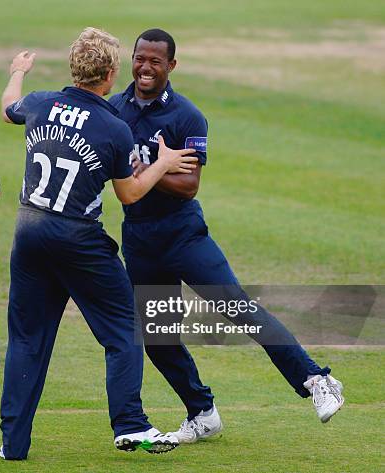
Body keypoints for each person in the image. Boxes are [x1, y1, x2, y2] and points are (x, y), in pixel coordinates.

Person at [109, 28, 344, 443]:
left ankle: (316, 380)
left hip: (184, 236)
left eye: (155, 61)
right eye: (139, 59)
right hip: (140, 240)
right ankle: (201, 412)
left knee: (238, 309)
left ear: (171, 66)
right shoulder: (114, 111)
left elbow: (189, 185)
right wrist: (163, 165)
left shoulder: (186, 116)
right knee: (158, 339)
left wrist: (146, 171)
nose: (145, 68)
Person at [0, 27, 198, 460]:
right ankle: (130, 425)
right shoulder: (113, 125)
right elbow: (128, 193)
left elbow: (8, 108)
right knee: (125, 330)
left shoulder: (39, 102)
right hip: (78, 240)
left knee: (27, 340)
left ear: (74, 67)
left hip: (28, 233)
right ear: (109, 74)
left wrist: (17, 71)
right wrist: (163, 163)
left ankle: (12, 444)